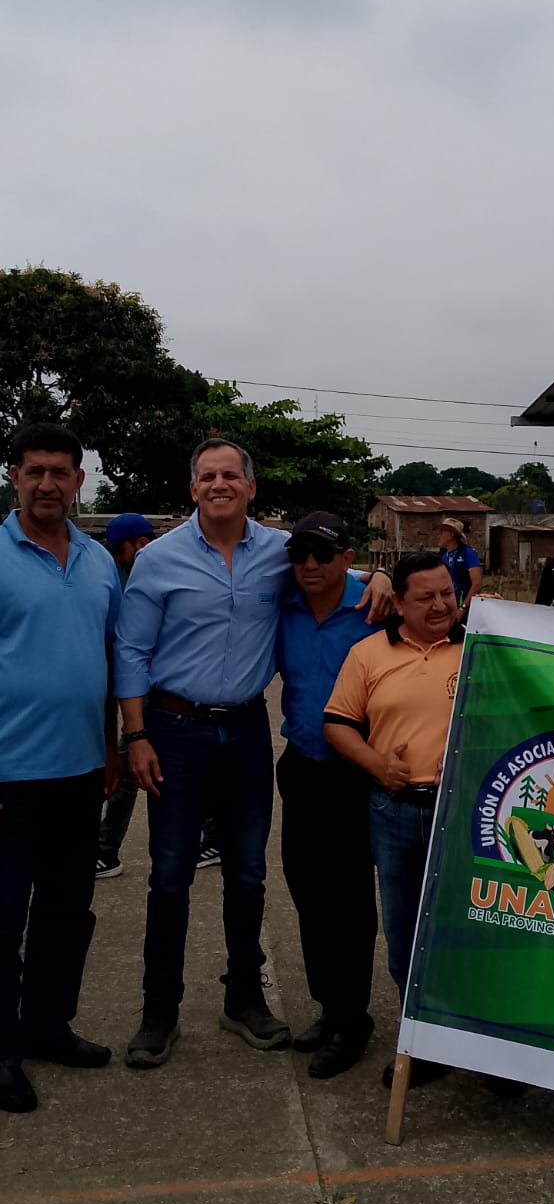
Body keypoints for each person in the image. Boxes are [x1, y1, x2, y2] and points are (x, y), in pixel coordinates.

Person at [114, 438, 391, 1069]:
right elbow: (130, 650)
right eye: (207, 475)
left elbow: (338, 575)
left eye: (230, 475)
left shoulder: (279, 552)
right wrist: (136, 736)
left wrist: (381, 576)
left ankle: (244, 997)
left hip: (244, 731)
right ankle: (159, 1011)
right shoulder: (158, 559)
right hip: (175, 728)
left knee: (247, 872)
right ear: (193, 488)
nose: (219, 484)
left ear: (250, 487)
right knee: (170, 873)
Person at [0, 422, 122, 1114]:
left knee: (66, 913)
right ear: (14, 477)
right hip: (9, 774)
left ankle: (48, 1026)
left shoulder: (100, 561)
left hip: (80, 773)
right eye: (34, 470)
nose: (47, 484)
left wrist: (111, 744)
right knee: (2, 919)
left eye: (60, 472)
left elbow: (106, 659)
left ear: (79, 481)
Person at [324, 551, 463, 1088]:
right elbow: (338, 723)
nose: (440, 605)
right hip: (396, 810)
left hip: (465, 812)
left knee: (468, 928)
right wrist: (378, 764)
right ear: (399, 604)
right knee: (406, 933)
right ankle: (423, 1040)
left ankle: (481, 1043)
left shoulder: (482, 646)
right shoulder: (368, 653)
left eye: (447, 593)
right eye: (425, 597)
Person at [276, 512, 382, 1080]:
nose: (310, 565)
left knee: (349, 899)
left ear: (347, 558)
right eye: (300, 555)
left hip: (355, 771)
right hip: (302, 767)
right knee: (307, 891)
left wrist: (382, 579)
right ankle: (330, 1005)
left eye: (322, 554)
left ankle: (353, 1018)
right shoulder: (283, 605)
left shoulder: (375, 608)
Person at [97, 512, 220, 879]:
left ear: (140, 544)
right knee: (159, 766)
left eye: (120, 551)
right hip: (141, 687)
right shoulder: (122, 572)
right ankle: (212, 834)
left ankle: (106, 849)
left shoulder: (165, 569)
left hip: (162, 688)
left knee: (131, 768)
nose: (117, 558)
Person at [438, 517, 483, 605]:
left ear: (451, 534)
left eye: (442, 532)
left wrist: (463, 607)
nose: (439, 535)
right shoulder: (442, 556)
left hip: (463, 605)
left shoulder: (468, 553)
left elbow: (477, 584)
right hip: (447, 605)